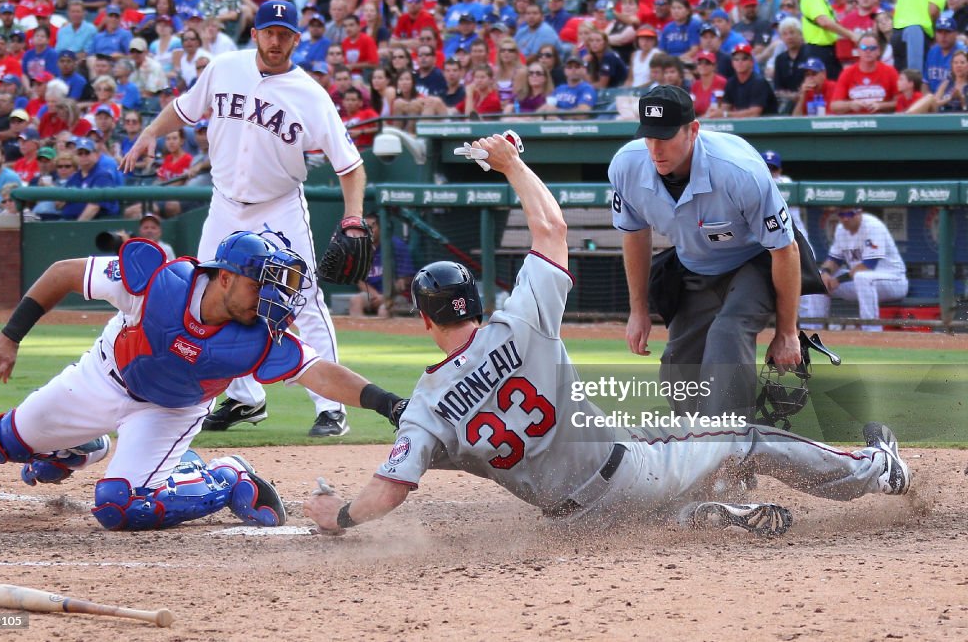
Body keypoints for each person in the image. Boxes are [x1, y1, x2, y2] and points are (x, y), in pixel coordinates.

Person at [303, 133, 912, 537]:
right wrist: (512, 164)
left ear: (424, 319)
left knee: (648, 446)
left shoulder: (429, 409)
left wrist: (343, 516)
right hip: (627, 473)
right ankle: (874, 471)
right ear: (475, 303)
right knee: (741, 436)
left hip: (572, 520)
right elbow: (552, 227)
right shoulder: (520, 320)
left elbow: (389, 492)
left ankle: (703, 517)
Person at [0, 231, 406, 531]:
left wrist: (388, 403)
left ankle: (228, 478)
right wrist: (10, 336)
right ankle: (82, 444)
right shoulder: (156, 282)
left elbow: (322, 374)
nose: (270, 300)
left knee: (119, 505)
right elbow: (64, 272)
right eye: (262, 286)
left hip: (170, 411)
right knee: (0, 443)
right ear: (225, 276)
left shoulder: (260, 334)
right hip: (102, 378)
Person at [122, 0, 367, 438]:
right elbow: (184, 108)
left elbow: (350, 166)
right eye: (269, 31)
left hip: (280, 206)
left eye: (284, 33)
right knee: (208, 297)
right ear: (254, 33)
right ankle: (244, 399)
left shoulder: (311, 94)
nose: (276, 40)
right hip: (225, 203)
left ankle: (331, 408)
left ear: (296, 39)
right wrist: (148, 133)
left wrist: (353, 218)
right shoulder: (223, 68)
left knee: (303, 299)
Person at [611, 85, 802, 421]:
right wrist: (638, 310)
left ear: (693, 130)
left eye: (667, 136)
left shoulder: (738, 170)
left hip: (754, 261)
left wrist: (787, 332)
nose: (656, 148)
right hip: (695, 266)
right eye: (649, 136)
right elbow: (635, 235)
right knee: (677, 366)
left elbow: (785, 250)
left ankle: (732, 451)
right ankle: (698, 451)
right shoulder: (626, 167)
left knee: (726, 334)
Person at [804, 208, 908, 332]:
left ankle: (871, 330)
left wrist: (838, 280)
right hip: (861, 282)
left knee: (862, 277)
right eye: (842, 215)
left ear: (859, 213)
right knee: (820, 279)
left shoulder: (873, 226)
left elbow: (868, 265)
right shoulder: (841, 230)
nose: (845, 218)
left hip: (893, 281)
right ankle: (815, 329)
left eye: (849, 214)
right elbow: (834, 259)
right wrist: (826, 273)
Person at [349, 213, 415, 318]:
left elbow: (404, 281)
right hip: (372, 294)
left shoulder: (396, 245)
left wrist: (385, 296)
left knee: (384, 309)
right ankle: (361, 333)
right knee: (355, 301)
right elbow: (359, 281)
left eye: (372, 227)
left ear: (381, 228)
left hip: (396, 296)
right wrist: (376, 296)